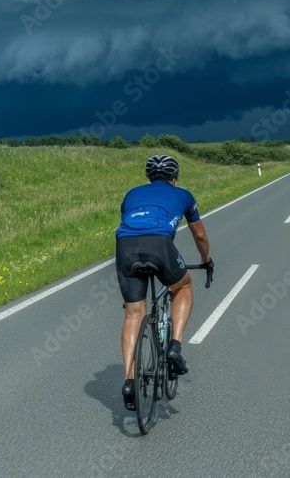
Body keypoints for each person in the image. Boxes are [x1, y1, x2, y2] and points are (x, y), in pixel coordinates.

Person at [115, 154, 212, 411]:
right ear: (175, 178)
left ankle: (128, 381)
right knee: (183, 286)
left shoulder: (131, 194)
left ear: (148, 177)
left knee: (134, 314)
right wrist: (206, 260)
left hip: (125, 247)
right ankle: (175, 348)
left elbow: (130, 220)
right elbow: (199, 234)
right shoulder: (184, 195)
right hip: (159, 245)